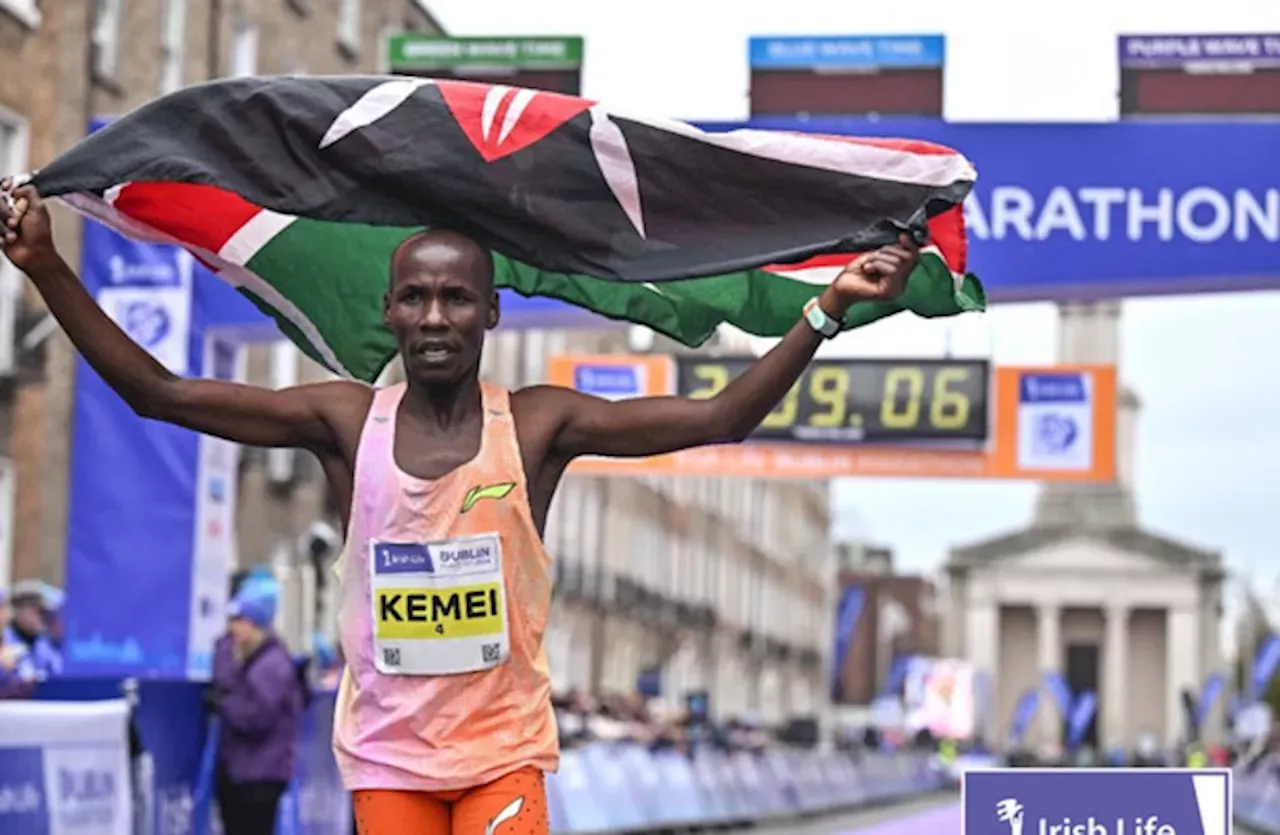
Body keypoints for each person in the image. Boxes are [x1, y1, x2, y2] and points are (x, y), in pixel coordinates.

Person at [0, 182, 919, 835]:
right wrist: (45, 265)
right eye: (416, 298)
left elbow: (721, 415)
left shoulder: (539, 423)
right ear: (390, 314)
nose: (435, 315)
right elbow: (161, 393)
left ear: (490, 316)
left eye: (456, 298)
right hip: (388, 759)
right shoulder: (343, 420)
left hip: (502, 755)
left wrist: (825, 311)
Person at [208, 579, 304, 835]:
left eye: (240, 620)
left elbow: (257, 716)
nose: (234, 628)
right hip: (246, 771)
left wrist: (224, 705)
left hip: (259, 776)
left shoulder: (270, 666)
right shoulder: (253, 659)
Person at [5, 578, 62, 678]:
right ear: (19, 611)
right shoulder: (5, 642)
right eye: (37, 612)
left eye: (45, 613)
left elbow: (57, 672)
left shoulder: (44, 643)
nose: (41, 618)